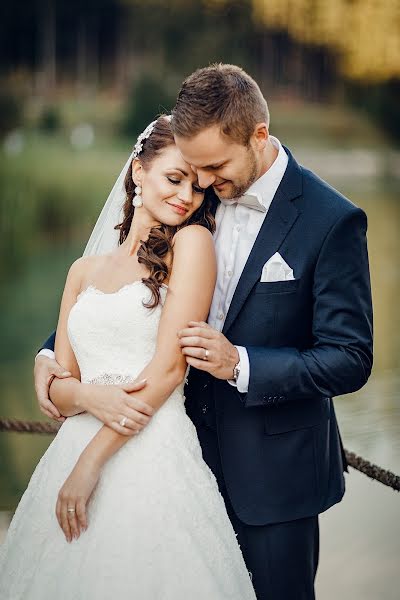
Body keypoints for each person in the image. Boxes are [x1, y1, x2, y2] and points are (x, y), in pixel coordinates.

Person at [34, 64, 373, 600]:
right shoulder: (196, 185)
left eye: (214, 168)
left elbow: (350, 357)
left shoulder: (331, 220)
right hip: (175, 458)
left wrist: (241, 363)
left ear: (258, 136)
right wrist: (49, 357)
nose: (203, 186)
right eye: (193, 171)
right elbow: (122, 299)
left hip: (273, 478)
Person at [0, 115, 257, 600]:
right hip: (71, 446)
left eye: (197, 188)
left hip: (150, 448)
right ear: (139, 170)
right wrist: (85, 395)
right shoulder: (82, 271)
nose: (187, 196)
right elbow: (59, 385)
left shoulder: (192, 244)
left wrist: (89, 464)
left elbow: (168, 371)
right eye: (174, 178)